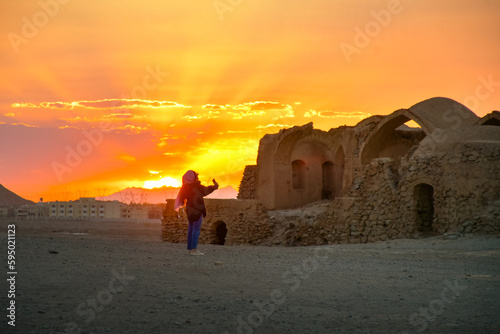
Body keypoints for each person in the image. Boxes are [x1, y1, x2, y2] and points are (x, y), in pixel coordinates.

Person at [174, 170, 218, 255]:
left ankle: (190, 249)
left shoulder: (184, 188)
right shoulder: (196, 187)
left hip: (189, 210)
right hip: (197, 210)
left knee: (191, 228)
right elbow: (206, 190)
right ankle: (194, 250)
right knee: (196, 229)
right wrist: (215, 186)